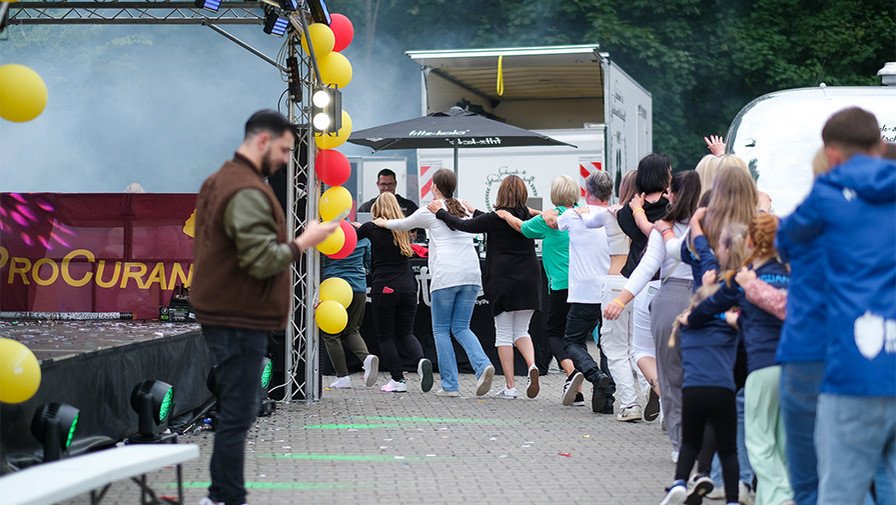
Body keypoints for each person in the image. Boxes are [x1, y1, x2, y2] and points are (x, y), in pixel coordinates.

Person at [192, 109, 338, 505]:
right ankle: (225, 497)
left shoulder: (220, 181)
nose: (288, 159)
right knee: (238, 413)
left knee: (237, 410)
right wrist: (306, 240)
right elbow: (261, 260)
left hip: (230, 312)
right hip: (239, 316)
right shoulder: (245, 190)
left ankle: (223, 494)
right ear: (262, 141)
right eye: (285, 149)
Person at [777, 107, 895, 505]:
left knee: (820, 484)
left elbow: (784, 242)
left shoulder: (823, 200)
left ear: (832, 155)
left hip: (821, 349)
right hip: (881, 348)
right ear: (878, 146)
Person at [373, 169, 496, 397]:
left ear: (435, 187)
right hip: (471, 274)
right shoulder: (464, 208)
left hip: (447, 275)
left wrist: (382, 222)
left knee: (441, 330)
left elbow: (403, 224)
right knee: (461, 327)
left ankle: (450, 385)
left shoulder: (431, 209)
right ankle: (482, 365)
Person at [604, 171, 701, 438]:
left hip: (670, 298)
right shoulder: (709, 224)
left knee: (668, 372)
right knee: (698, 367)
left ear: (677, 195)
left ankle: (679, 438)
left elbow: (646, 268)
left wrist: (621, 299)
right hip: (706, 298)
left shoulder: (664, 228)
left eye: (670, 191)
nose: (667, 194)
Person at [429, 175, 541, 399]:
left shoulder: (496, 217)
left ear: (501, 194)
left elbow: (464, 225)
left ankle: (510, 387)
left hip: (504, 280)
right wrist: (475, 210)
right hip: (529, 279)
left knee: (503, 335)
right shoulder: (528, 216)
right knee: (522, 331)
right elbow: (491, 221)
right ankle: (531, 366)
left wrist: (439, 212)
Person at [496, 175, 584, 406]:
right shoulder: (582, 214)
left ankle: (572, 373)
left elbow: (522, 228)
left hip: (560, 285)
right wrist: (536, 211)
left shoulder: (550, 220)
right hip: (585, 285)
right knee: (577, 338)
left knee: (554, 335)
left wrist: (506, 214)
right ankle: (581, 388)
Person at [356, 192, 434, 393]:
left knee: (386, 336)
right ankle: (421, 360)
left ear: (376, 209)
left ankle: (398, 380)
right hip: (409, 287)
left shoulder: (371, 227)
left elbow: (353, 236)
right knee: (406, 333)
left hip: (386, 287)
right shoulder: (403, 227)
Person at [554, 170, 614, 412]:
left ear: (587, 192)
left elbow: (554, 223)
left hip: (583, 291)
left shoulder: (571, 215)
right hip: (610, 290)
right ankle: (607, 400)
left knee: (572, 341)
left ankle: (594, 374)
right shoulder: (615, 215)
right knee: (607, 345)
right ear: (609, 192)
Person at [320, 233, 379, 390]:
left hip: (333, 287)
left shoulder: (325, 233)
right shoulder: (362, 236)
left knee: (330, 333)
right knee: (352, 330)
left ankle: (343, 377)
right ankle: (366, 358)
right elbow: (369, 264)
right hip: (358, 287)